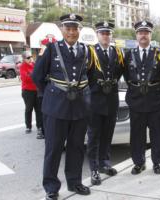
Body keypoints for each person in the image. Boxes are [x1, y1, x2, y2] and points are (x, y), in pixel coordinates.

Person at [32, 13, 92, 200]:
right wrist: (50, 95)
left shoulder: (86, 50)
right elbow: (37, 76)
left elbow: (89, 76)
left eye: (75, 28)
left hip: (80, 108)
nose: (72, 32)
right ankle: (51, 186)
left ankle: (75, 181)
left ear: (79, 31)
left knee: (76, 147)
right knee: (54, 148)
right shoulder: (51, 49)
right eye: (68, 28)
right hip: (56, 108)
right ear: (62, 30)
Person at [123, 20, 160, 175]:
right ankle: (139, 162)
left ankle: (157, 162)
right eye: (140, 32)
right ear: (136, 35)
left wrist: (155, 86)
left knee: (158, 133)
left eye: (146, 32)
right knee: (137, 134)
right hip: (136, 100)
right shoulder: (129, 54)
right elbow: (126, 74)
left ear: (151, 34)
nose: (143, 35)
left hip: (155, 100)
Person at [87, 21, 124, 185]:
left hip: (111, 99)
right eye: (102, 33)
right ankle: (94, 168)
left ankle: (104, 163)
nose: (105, 36)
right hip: (95, 99)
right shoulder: (90, 52)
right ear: (97, 34)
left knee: (107, 134)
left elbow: (122, 71)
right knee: (94, 135)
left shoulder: (117, 52)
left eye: (108, 33)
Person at [19, 51, 44, 139]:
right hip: (27, 91)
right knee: (29, 109)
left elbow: (39, 75)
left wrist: (32, 75)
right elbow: (25, 78)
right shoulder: (22, 66)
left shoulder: (34, 64)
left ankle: (39, 127)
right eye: (28, 58)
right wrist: (33, 75)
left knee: (38, 110)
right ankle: (28, 126)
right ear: (24, 59)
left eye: (31, 57)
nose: (30, 59)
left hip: (36, 90)